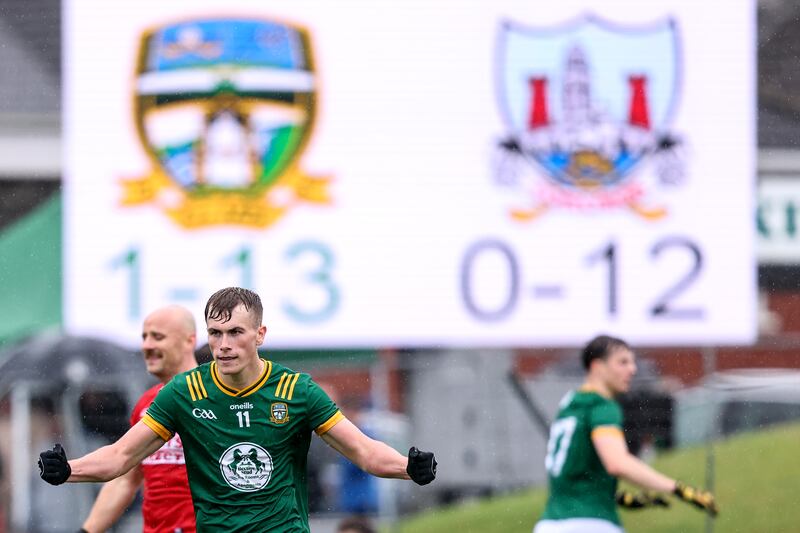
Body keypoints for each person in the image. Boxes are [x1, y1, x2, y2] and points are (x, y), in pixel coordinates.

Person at [39, 287, 437, 533]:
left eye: (235, 332)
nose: (224, 344)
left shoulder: (296, 390)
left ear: (260, 334)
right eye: (216, 333)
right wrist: (67, 469)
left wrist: (408, 466)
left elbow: (365, 452)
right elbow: (120, 458)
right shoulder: (184, 392)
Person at [534, 335, 718, 533]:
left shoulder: (571, 403)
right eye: (622, 362)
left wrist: (619, 497)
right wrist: (679, 489)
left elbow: (577, 473)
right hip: (590, 523)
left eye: (632, 362)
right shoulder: (602, 406)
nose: (632, 369)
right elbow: (617, 463)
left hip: (550, 524)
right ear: (597, 366)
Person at [80, 305, 199, 533]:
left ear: (189, 341)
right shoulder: (147, 404)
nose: (147, 345)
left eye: (158, 337)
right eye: (144, 337)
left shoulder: (215, 399)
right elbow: (126, 479)